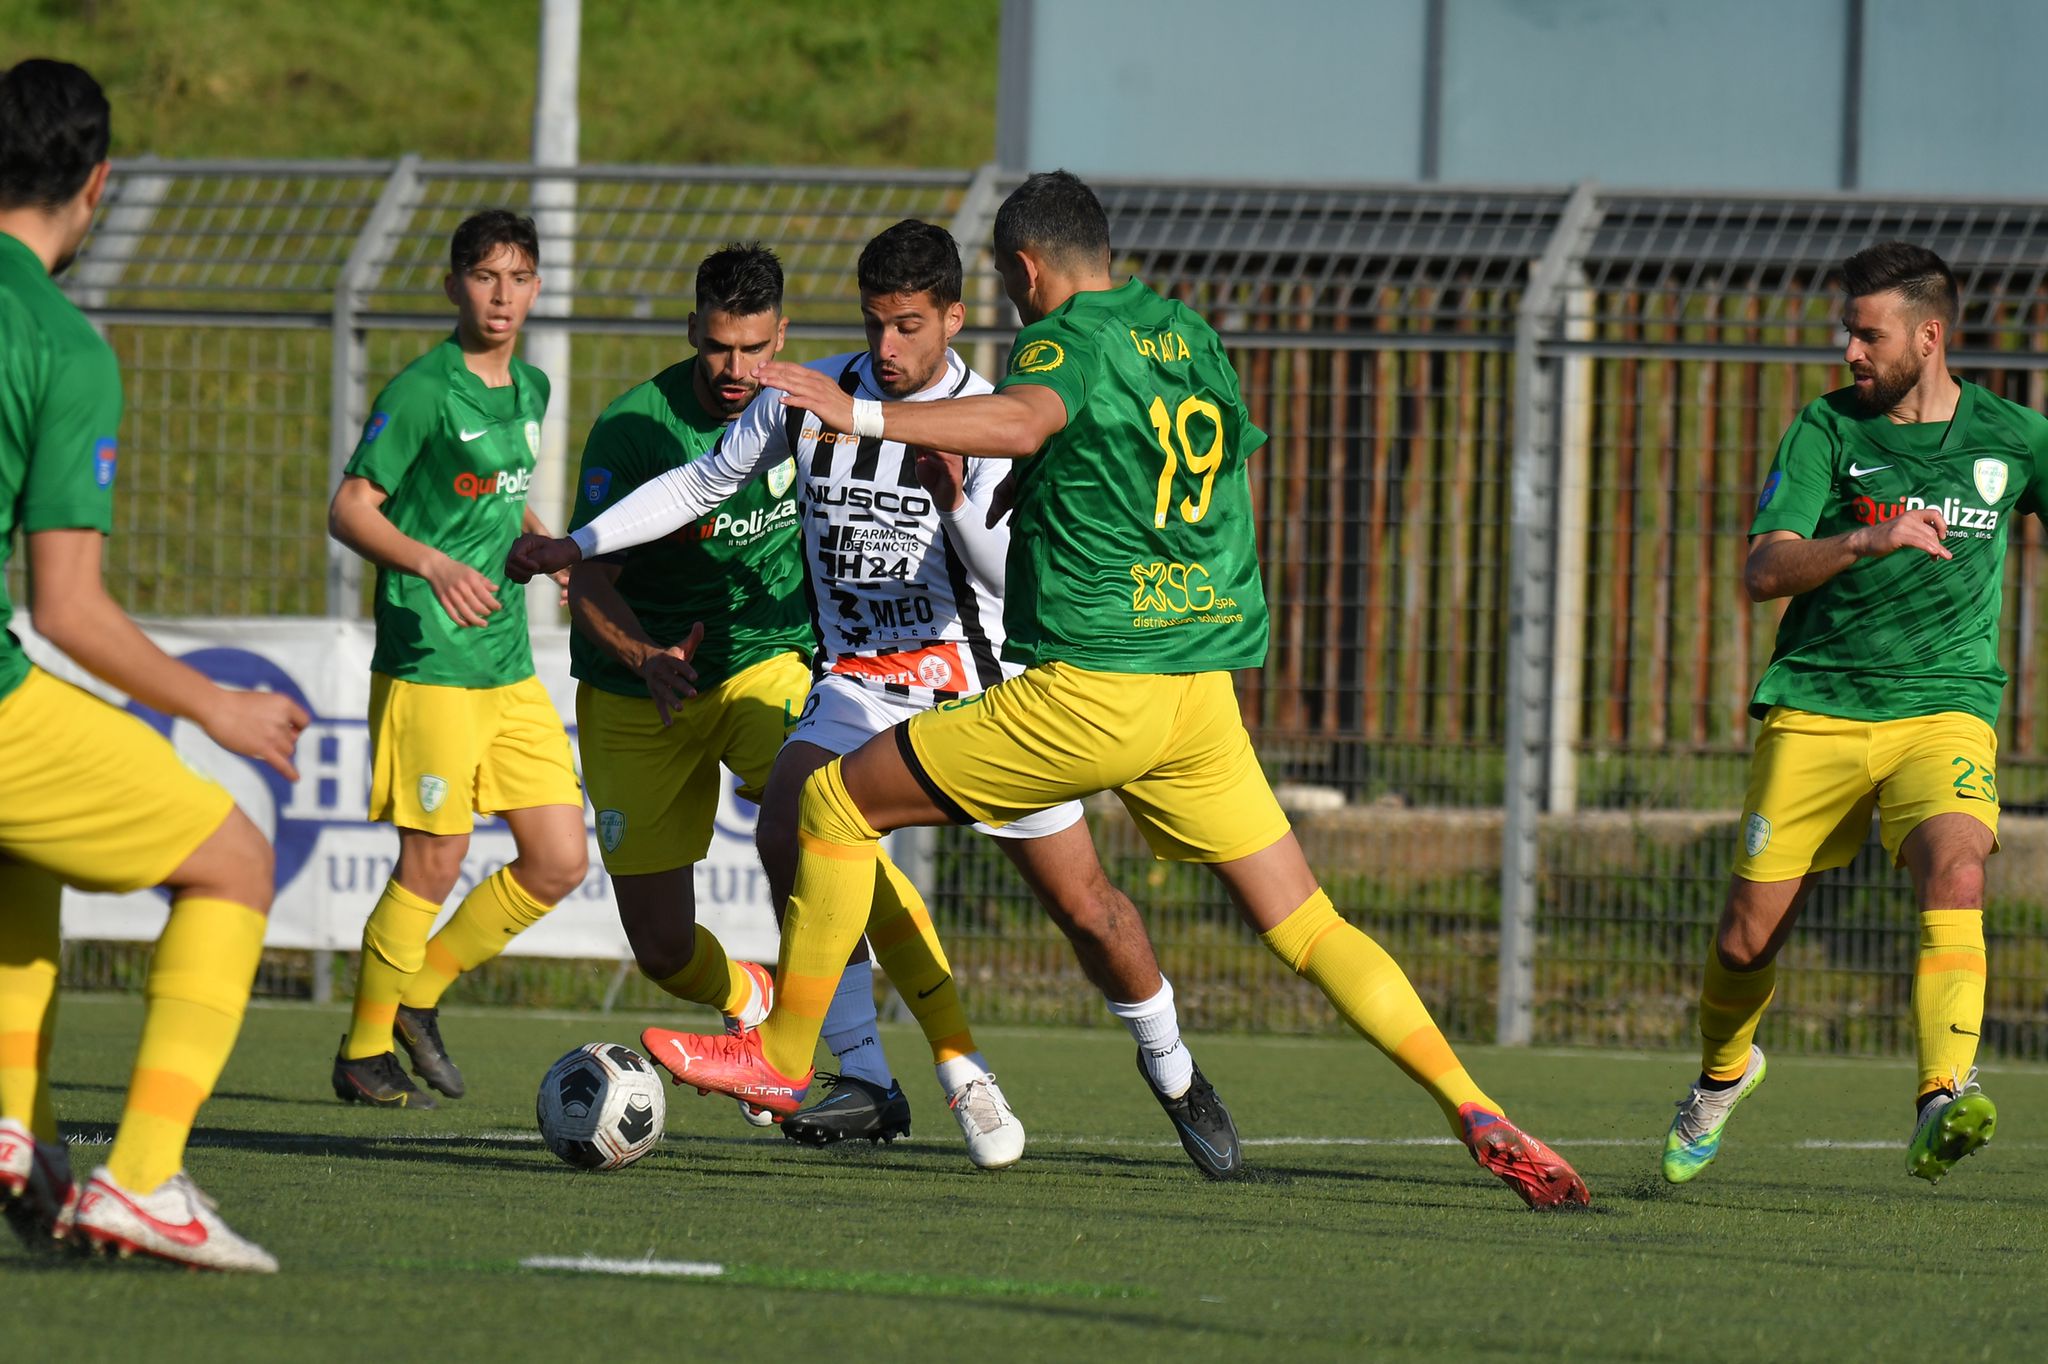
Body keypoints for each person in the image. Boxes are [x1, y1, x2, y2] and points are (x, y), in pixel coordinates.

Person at [513, 219, 1243, 1179]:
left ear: (953, 317)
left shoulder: (1002, 414)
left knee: (1087, 908)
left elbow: (1012, 573)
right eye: (873, 326)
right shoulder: (815, 395)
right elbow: (701, 481)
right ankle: (864, 1072)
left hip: (981, 690)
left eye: (907, 327)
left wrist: (949, 502)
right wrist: (580, 546)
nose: (887, 349)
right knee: (791, 825)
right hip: (860, 684)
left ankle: (1172, 1064)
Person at [0, 58, 307, 1271]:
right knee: (231, 857)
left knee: (23, 841)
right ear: (98, 183)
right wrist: (216, 704)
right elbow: (66, 605)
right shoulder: (57, 343)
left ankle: (15, 1124)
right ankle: (141, 1178)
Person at [1659, 241, 2046, 1186]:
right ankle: (1723, 1074)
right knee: (1748, 937)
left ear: (1929, 335)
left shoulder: (2017, 437)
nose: (1850, 352)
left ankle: (1941, 1097)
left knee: (1957, 869)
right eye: (1848, 333)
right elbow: (1762, 571)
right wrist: (1869, 538)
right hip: (1820, 706)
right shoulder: (1826, 432)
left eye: (1867, 335)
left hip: (1945, 708)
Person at [326, 209, 587, 1109]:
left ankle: (419, 995)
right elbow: (352, 509)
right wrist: (433, 564)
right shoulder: (423, 390)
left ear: (538, 289)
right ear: (454, 287)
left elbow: (502, 499)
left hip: (507, 665)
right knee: (432, 861)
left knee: (558, 859)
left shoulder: (533, 390)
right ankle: (364, 1052)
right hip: (430, 658)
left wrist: (544, 544)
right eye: (485, 277)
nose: (503, 295)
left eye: (519, 277)